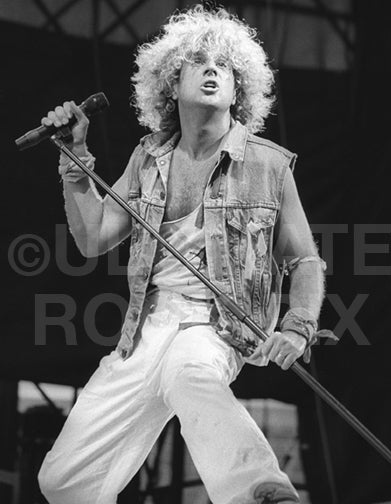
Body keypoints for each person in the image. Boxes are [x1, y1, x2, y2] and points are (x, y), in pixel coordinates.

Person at [38, 5, 326, 504]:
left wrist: (298, 327)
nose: (213, 68)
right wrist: (75, 164)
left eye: (226, 66)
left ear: (240, 91)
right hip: (145, 329)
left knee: (193, 377)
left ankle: (262, 492)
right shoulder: (147, 158)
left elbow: (304, 261)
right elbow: (93, 239)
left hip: (213, 327)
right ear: (171, 84)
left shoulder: (268, 166)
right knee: (62, 482)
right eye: (198, 60)